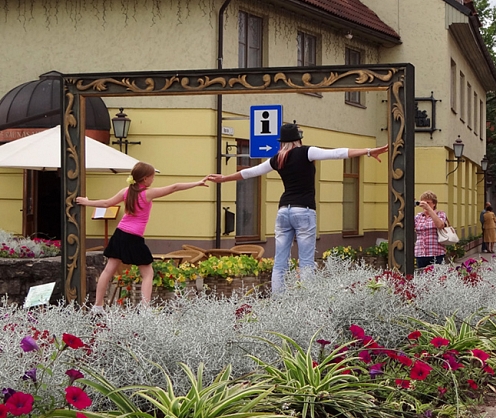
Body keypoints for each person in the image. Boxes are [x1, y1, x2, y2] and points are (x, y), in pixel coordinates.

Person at [207, 123, 387, 294]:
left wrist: (223, 178)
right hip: (304, 210)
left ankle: (279, 300)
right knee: (306, 261)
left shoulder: (277, 159)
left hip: (283, 211)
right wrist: (369, 151)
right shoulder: (306, 152)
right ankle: (306, 301)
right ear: (297, 140)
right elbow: (337, 153)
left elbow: (250, 172)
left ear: (282, 142)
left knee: (280, 261)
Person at [76, 162, 209, 311]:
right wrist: (197, 183)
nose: (153, 180)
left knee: (108, 270)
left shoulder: (126, 191)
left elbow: (107, 203)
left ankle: (98, 305)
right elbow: (174, 187)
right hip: (133, 237)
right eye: (152, 177)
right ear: (145, 179)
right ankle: (145, 309)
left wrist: (87, 202)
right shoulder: (147, 193)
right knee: (147, 273)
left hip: (119, 234)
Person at [414, 191, 448, 269]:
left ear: (434, 204)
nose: (425, 205)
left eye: (428, 203)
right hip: (420, 253)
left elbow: (440, 225)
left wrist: (429, 209)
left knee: (436, 276)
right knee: (421, 276)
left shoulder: (440, 214)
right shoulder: (418, 216)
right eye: (423, 202)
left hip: (436, 252)